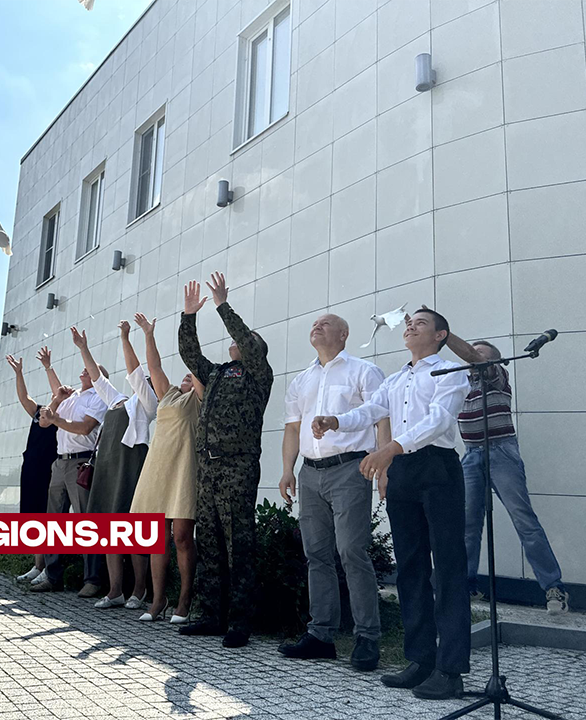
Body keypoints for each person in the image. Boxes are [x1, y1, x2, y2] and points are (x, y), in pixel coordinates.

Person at [312, 308, 471, 700]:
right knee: (410, 568)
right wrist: (337, 421)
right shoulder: (398, 377)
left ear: (440, 335)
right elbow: (372, 410)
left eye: (421, 323)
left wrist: (391, 449)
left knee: (448, 568)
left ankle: (450, 670)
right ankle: (421, 660)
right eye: (409, 322)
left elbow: (438, 419)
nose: (410, 326)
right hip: (401, 470)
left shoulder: (450, 371)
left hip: (436, 468)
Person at [277, 314, 390, 671]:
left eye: (325, 323)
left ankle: (367, 637)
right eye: (314, 323)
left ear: (344, 333)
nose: (317, 326)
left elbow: (382, 417)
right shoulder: (301, 379)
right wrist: (286, 470)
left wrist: (384, 466)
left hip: (350, 469)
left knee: (351, 551)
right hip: (310, 473)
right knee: (317, 554)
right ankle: (321, 636)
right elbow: (292, 429)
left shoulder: (363, 371)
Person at [443, 327, 569, 615]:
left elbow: (472, 356)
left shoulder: (497, 376)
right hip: (471, 454)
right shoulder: (459, 384)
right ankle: (467, 585)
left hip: (501, 452)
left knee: (524, 520)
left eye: (480, 355)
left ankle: (554, 588)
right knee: (468, 526)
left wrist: (442, 332)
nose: (473, 359)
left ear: (494, 362)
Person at [177, 272, 273, 649]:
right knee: (211, 543)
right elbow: (190, 355)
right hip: (209, 468)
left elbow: (247, 341)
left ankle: (239, 622)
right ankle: (210, 615)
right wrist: (188, 316)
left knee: (239, 545)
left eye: (244, 342)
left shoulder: (256, 372)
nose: (236, 343)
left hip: (237, 466)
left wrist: (221, 305)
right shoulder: (217, 373)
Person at [72, 322, 156, 611]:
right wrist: (84, 348)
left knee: (133, 533)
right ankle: (115, 590)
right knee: (110, 531)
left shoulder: (149, 404)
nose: (141, 382)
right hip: (109, 470)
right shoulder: (118, 401)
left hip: (130, 469)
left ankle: (140, 590)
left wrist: (125, 337)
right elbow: (97, 379)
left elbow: (134, 374)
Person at [129, 312, 203, 624]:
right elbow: (155, 366)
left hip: (185, 470)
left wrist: (192, 322)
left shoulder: (200, 399)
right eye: (184, 375)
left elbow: (197, 363)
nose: (186, 377)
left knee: (183, 536)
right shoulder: (168, 395)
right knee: (156, 537)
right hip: (157, 469)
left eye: (191, 375)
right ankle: (158, 599)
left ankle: (185, 599)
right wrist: (148, 333)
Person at [30, 361, 109, 597]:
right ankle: (53, 576)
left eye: (92, 368)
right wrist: (47, 368)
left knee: (86, 521)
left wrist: (56, 419)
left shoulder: (98, 396)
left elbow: (85, 428)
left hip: (80, 462)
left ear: (99, 376)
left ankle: (93, 580)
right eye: (84, 367)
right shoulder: (72, 396)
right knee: (53, 521)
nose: (85, 369)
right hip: (60, 461)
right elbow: (45, 421)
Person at [6, 352, 58, 583]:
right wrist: (19, 373)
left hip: (49, 472)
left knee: (47, 518)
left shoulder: (60, 419)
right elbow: (23, 396)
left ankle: (48, 568)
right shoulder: (37, 412)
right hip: (31, 470)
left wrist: (49, 367)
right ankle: (37, 566)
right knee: (34, 518)